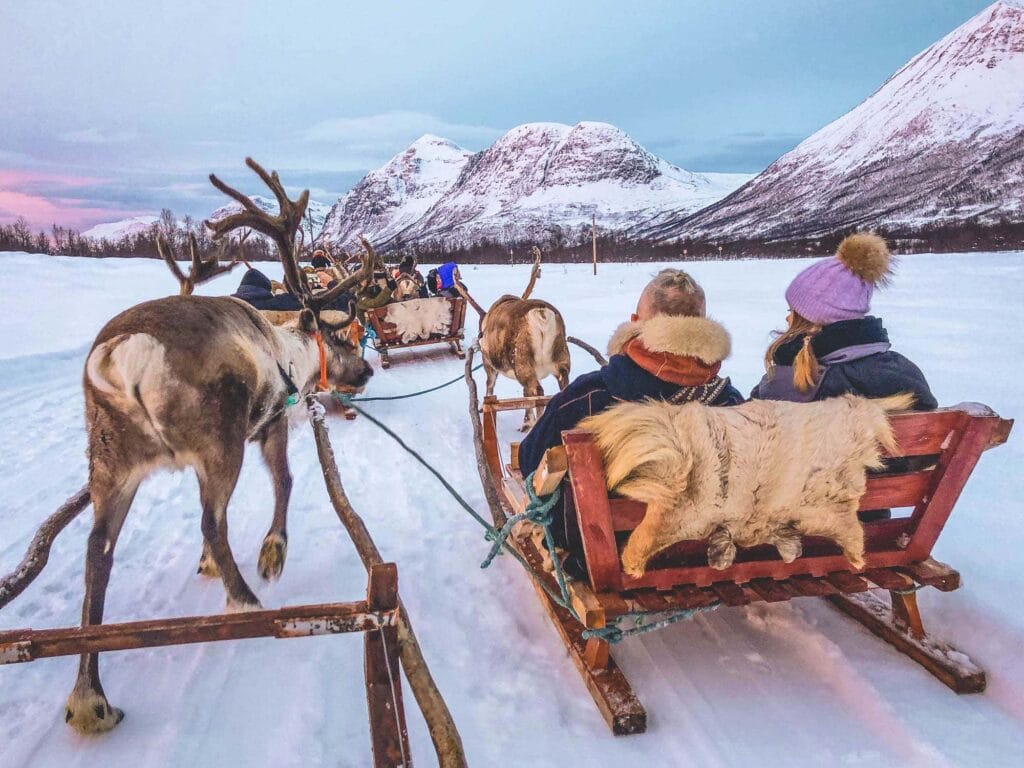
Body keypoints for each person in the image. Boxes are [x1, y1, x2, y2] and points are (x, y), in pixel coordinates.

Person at [518, 268, 744, 575]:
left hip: (607, 554)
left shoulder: (589, 398)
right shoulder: (732, 404)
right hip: (707, 549)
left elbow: (531, 460)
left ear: (636, 324)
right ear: (703, 331)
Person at [750, 233, 936, 409]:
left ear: (814, 322)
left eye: (793, 312)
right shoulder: (904, 374)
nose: (787, 318)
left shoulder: (790, 384)